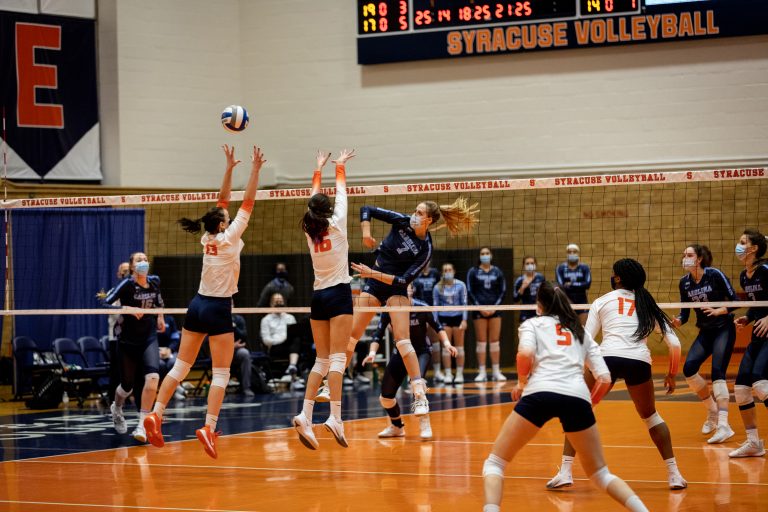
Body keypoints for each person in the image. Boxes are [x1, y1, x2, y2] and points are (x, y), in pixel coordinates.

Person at [482, 281, 649, 512]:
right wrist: (589, 405)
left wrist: (521, 384)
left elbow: (525, 354)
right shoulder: (581, 333)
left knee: (495, 463)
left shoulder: (532, 324)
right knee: (600, 474)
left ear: (539, 305)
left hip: (539, 393)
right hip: (577, 397)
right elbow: (605, 378)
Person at [143, 144, 264, 459]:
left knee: (181, 367)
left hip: (196, 305)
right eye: (226, 216)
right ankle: (209, 428)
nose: (227, 212)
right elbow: (248, 201)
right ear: (223, 224)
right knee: (221, 373)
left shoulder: (207, 237)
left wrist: (228, 168)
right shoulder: (229, 237)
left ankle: (156, 414)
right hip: (218, 307)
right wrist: (255, 170)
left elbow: (221, 202)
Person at [546, 259, 687, 490]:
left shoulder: (602, 301)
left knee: (577, 413)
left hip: (607, 359)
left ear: (618, 278)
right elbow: (675, 344)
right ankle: (674, 475)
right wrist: (671, 374)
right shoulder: (647, 303)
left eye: (613, 274)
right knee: (651, 417)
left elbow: (585, 339)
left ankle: (565, 472)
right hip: (639, 362)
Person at [350, 197, 479, 417]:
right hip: (373, 286)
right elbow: (367, 209)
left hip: (394, 288)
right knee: (351, 337)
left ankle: (419, 393)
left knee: (402, 340)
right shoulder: (401, 221)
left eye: (419, 213)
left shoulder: (425, 249)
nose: (414, 215)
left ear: (428, 219)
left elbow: (403, 281)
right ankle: (329, 385)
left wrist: (371, 273)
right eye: (415, 211)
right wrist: (365, 233)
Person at [292, 149, 355, 450]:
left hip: (318, 296)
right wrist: (338, 166)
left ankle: (305, 414)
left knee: (322, 359)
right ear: (328, 210)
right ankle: (334, 417)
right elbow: (341, 192)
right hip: (339, 293)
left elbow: (313, 201)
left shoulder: (309, 229)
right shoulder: (338, 224)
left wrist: (317, 170)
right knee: (338, 359)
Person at [365, 284, 457, 440]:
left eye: (405, 288)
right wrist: (372, 352)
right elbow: (378, 333)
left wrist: (447, 344)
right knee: (386, 396)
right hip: (400, 353)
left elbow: (438, 327)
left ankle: (425, 424)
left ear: (411, 290)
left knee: (418, 386)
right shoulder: (390, 309)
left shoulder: (422, 307)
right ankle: (396, 426)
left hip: (421, 352)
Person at [672, 243, 737, 444]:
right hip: (706, 331)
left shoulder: (714, 274)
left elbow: (734, 300)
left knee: (718, 372)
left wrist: (719, 310)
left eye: (689, 254)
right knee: (689, 369)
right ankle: (712, 412)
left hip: (723, 328)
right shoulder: (684, 283)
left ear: (699, 259)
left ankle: (724, 426)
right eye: (684, 255)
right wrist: (677, 321)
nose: (685, 258)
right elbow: (685, 312)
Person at [103, 252, 165, 444]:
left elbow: (159, 301)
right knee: (127, 385)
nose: (143, 262)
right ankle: (117, 408)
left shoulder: (154, 281)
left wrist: (161, 316)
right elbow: (105, 302)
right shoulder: (127, 284)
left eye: (145, 259)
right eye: (139, 260)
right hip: (127, 339)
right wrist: (126, 309)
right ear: (131, 267)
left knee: (153, 377)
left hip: (148, 337)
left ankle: (142, 424)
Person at [730, 229, 768, 457]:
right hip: (759, 333)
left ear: (753, 248)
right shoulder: (745, 275)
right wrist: (750, 316)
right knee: (742, 389)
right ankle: (754, 443)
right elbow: (759, 304)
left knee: (761, 382)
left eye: (742, 242)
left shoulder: (765, 270)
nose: (738, 245)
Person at [467, 247, 507, 382]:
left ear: (491, 255)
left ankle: (496, 371)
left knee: (495, 341)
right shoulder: (473, 271)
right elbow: (470, 290)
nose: (485, 255)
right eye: (482, 253)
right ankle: (482, 371)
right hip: (479, 310)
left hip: (495, 309)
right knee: (482, 341)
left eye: (487, 253)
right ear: (479, 256)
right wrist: (479, 307)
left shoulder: (497, 271)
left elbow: (503, 290)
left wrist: (495, 307)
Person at [432, 262, 468, 384]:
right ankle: (448, 373)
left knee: (459, 347)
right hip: (444, 318)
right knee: (446, 348)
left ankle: (459, 373)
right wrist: (436, 323)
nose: (448, 272)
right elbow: (435, 306)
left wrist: (464, 320)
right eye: (445, 270)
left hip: (458, 317)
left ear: (454, 271)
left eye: (449, 270)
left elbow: (464, 303)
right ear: (442, 273)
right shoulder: (438, 287)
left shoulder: (461, 285)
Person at [260, 292, 303, 386]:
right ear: (271, 304)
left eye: (281, 301)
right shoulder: (266, 320)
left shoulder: (290, 317)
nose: (279, 303)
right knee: (295, 343)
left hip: (290, 346)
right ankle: (294, 376)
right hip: (275, 348)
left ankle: (292, 368)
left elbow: (296, 332)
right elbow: (266, 340)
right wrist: (282, 339)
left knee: (297, 340)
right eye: (276, 301)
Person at [412, 261, 444, 381]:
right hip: (418, 311)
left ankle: (437, 371)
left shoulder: (435, 273)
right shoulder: (414, 274)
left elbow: (440, 290)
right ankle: (416, 374)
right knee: (417, 343)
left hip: (433, 310)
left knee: (435, 342)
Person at [555, 244, 592, 324]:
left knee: (583, 330)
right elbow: (561, 286)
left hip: (582, 302)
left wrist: (571, 284)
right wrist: (580, 285)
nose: (572, 254)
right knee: (567, 330)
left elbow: (587, 284)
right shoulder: (560, 268)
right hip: (566, 302)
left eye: (574, 252)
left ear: (578, 253)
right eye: (569, 252)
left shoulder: (584, 267)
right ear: (566, 254)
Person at [513, 256, 545, 324]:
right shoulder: (520, 280)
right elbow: (515, 299)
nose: (530, 265)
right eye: (527, 263)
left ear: (535, 264)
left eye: (532, 263)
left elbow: (546, 294)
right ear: (523, 265)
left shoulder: (541, 277)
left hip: (539, 310)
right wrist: (522, 288)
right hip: (526, 311)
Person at [231, 313, 256, 397]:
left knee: (245, 353)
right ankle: (219, 388)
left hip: (237, 350)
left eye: (231, 304)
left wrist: (235, 327)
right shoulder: (215, 317)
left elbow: (244, 336)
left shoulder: (238, 319)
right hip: (220, 350)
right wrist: (230, 346)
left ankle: (246, 387)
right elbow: (209, 339)